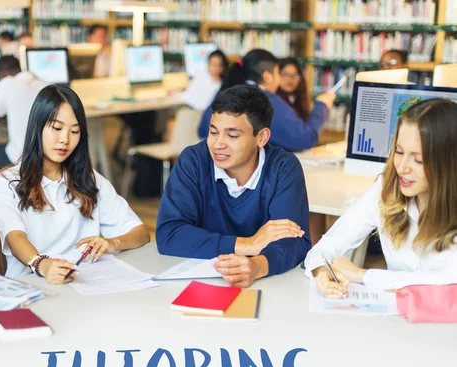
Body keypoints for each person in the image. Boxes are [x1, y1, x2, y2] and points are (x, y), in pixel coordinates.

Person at [0, 85, 150, 281]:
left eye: (74, 131)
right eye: (56, 128)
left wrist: (112, 243)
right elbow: (15, 238)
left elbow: (140, 233)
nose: (65, 139)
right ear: (37, 127)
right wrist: (44, 265)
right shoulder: (6, 183)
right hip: (33, 287)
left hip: (86, 284)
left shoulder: (89, 179)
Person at [156, 85, 311, 288]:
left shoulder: (283, 168)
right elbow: (169, 234)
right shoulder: (193, 161)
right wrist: (248, 244)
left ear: (261, 137)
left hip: (268, 284)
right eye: (213, 132)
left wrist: (257, 266)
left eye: (232, 136)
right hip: (200, 281)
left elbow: (294, 241)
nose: (218, 144)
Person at [306, 98, 457, 297]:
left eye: (418, 160)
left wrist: (362, 275)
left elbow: (446, 282)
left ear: (448, 164)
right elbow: (327, 247)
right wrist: (322, 271)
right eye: (399, 152)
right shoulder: (385, 190)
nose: (402, 167)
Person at [198, 49, 335, 152]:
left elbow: (202, 130)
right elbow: (304, 138)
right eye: (277, 74)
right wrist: (322, 105)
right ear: (267, 76)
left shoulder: (225, 93)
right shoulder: (265, 101)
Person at [0, 55, 48, 199]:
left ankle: (8, 188)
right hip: (46, 156)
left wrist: (10, 121)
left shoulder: (7, 83)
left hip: (21, 155)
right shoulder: (44, 84)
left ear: (1, 74)